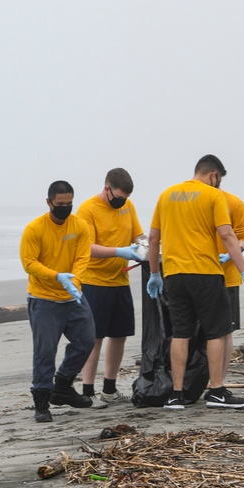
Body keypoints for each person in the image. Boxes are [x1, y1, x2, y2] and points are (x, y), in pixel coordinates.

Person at [146, 154, 244, 411]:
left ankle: (176, 395)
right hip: (205, 272)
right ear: (214, 176)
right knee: (216, 331)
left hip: (173, 274)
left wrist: (154, 274)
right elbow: (228, 235)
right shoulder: (213, 195)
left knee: (180, 333)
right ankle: (216, 391)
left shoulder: (167, 195)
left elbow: (153, 238)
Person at [20, 181, 96, 422]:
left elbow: (83, 256)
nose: (65, 208)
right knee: (45, 351)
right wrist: (57, 277)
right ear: (49, 202)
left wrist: (74, 281)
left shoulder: (79, 225)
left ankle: (62, 386)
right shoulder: (34, 229)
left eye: (69, 203)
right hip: (44, 299)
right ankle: (41, 402)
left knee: (86, 341)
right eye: (60, 204)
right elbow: (29, 263)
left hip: (73, 295)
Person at [75, 168, 146, 408]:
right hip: (94, 281)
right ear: (107, 189)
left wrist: (146, 247)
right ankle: (87, 391)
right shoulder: (88, 210)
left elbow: (137, 235)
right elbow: (87, 248)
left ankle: (109, 389)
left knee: (119, 335)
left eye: (124, 198)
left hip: (120, 279)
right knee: (94, 338)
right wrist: (119, 251)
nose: (121, 202)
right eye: (117, 198)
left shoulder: (128, 205)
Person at [215, 186, 244, 385]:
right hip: (200, 275)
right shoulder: (196, 202)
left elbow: (243, 237)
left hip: (228, 277)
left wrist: (233, 253)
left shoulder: (234, 203)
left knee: (226, 330)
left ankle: (219, 380)